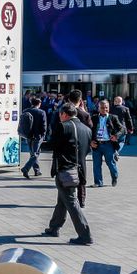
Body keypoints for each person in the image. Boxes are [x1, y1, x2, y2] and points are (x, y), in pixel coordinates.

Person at [43, 104, 93, 245]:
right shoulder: (87, 129)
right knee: (63, 199)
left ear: (64, 114)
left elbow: (53, 145)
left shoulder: (63, 126)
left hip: (65, 169)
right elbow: (87, 150)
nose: (59, 117)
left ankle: (85, 235)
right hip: (79, 170)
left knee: (71, 201)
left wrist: (39, 144)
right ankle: (54, 227)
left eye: (60, 114)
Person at [91, 100, 126, 187]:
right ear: (98, 108)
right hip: (97, 144)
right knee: (96, 164)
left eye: (106, 107)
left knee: (110, 163)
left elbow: (122, 129)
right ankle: (98, 182)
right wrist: (90, 142)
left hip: (108, 144)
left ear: (109, 108)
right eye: (102, 108)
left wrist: (116, 136)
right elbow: (89, 131)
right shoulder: (94, 118)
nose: (104, 109)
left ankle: (114, 176)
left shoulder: (113, 117)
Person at [19, 97, 47, 179]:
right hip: (37, 136)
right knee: (36, 153)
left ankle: (37, 170)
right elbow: (44, 125)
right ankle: (25, 168)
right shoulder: (41, 112)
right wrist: (43, 135)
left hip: (28, 135)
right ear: (39, 103)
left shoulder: (25, 111)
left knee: (33, 153)